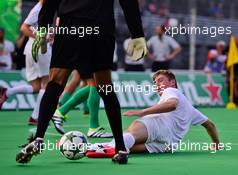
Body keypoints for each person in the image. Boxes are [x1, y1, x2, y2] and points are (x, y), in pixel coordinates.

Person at [16, 0, 148, 164]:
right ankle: (121, 149)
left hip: (70, 26)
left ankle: (38, 139)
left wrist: (42, 29)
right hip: (100, 28)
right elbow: (129, 3)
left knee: (55, 83)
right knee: (105, 88)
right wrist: (137, 34)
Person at [88, 70, 221, 155]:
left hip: (160, 127)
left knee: (132, 130)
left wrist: (142, 112)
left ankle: (99, 147)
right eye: (155, 82)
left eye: (161, 80)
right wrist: (216, 144)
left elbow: (172, 104)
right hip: (168, 146)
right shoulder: (191, 109)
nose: (157, 84)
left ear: (172, 82)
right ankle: (109, 149)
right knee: (128, 147)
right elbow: (210, 125)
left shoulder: (172, 91)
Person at [0, 1, 52, 126]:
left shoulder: (45, 9)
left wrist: (49, 35)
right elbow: (24, 27)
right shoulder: (39, 8)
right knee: (47, 83)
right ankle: (35, 117)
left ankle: (8, 92)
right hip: (39, 48)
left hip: (32, 48)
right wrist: (41, 38)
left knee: (36, 87)